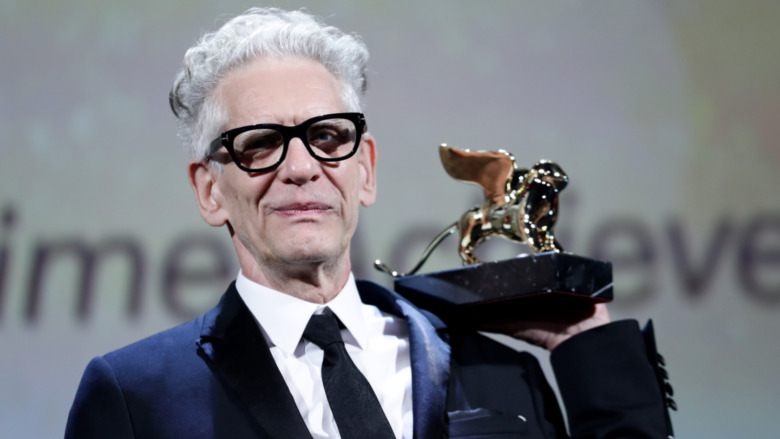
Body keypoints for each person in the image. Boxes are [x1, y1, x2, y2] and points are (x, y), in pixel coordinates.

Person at [65, 7, 675, 439]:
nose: (301, 168)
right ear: (209, 190)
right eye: (260, 144)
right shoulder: (134, 396)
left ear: (366, 169)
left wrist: (584, 345)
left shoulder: (494, 371)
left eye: (328, 136)